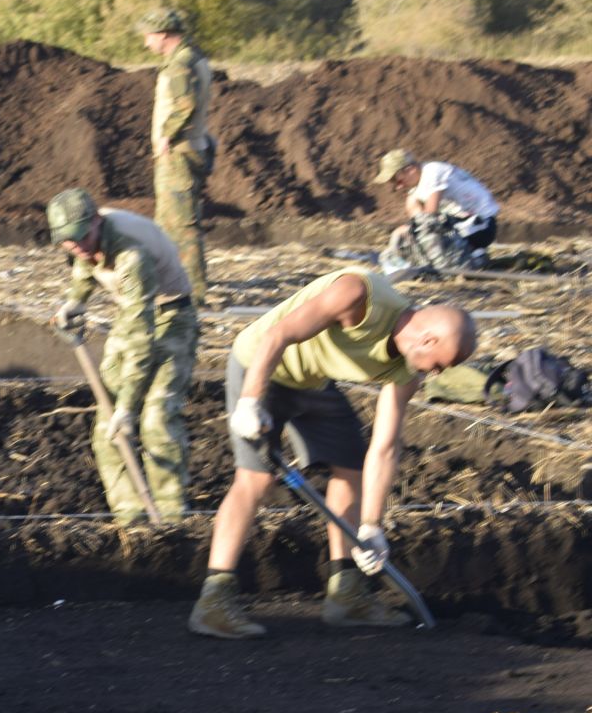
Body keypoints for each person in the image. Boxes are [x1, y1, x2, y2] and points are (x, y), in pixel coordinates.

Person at [189, 267, 477, 639]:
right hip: (262, 366)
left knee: (351, 466)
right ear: (425, 338)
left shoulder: (406, 371)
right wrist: (249, 400)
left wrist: (372, 525)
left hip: (313, 381)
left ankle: (347, 594)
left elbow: (386, 445)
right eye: (440, 364)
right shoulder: (359, 295)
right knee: (256, 478)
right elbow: (278, 335)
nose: (436, 375)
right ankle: (213, 600)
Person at [48, 188, 198, 524]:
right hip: (132, 314)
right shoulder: (84, 238)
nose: (76, 246)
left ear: (97, 222)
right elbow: (85, 265)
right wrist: (76, 301)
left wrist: (128, 407)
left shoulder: (132, 257)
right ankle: (129, 517)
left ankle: (172, 519)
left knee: (156, 421)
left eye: (81, 237)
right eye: (67, 242)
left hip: (171, 317)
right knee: (106, 429)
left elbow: (140, 339)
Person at [140, 8, 214, 306]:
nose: (146, 42)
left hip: (179, 154)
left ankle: (194, 294)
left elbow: (186, 105)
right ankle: (169, 283)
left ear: (163, 34)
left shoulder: (180, 65)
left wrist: (165, 135)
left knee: (182, 226)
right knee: (167, 224)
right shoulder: (192, 57)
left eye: (149, 35)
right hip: (188, 149)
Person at [374, 149, 499, 273]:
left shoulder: (432, 172)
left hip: (482, 225)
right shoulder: (416, 188)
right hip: (464, 225)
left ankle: (471, 261)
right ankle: (473, 255)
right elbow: (417, 219)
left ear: (410, 169)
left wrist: (407, 232)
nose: (398, 187)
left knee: (427, 233)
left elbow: (429, 217)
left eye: (398, 181)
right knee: (417, 236)